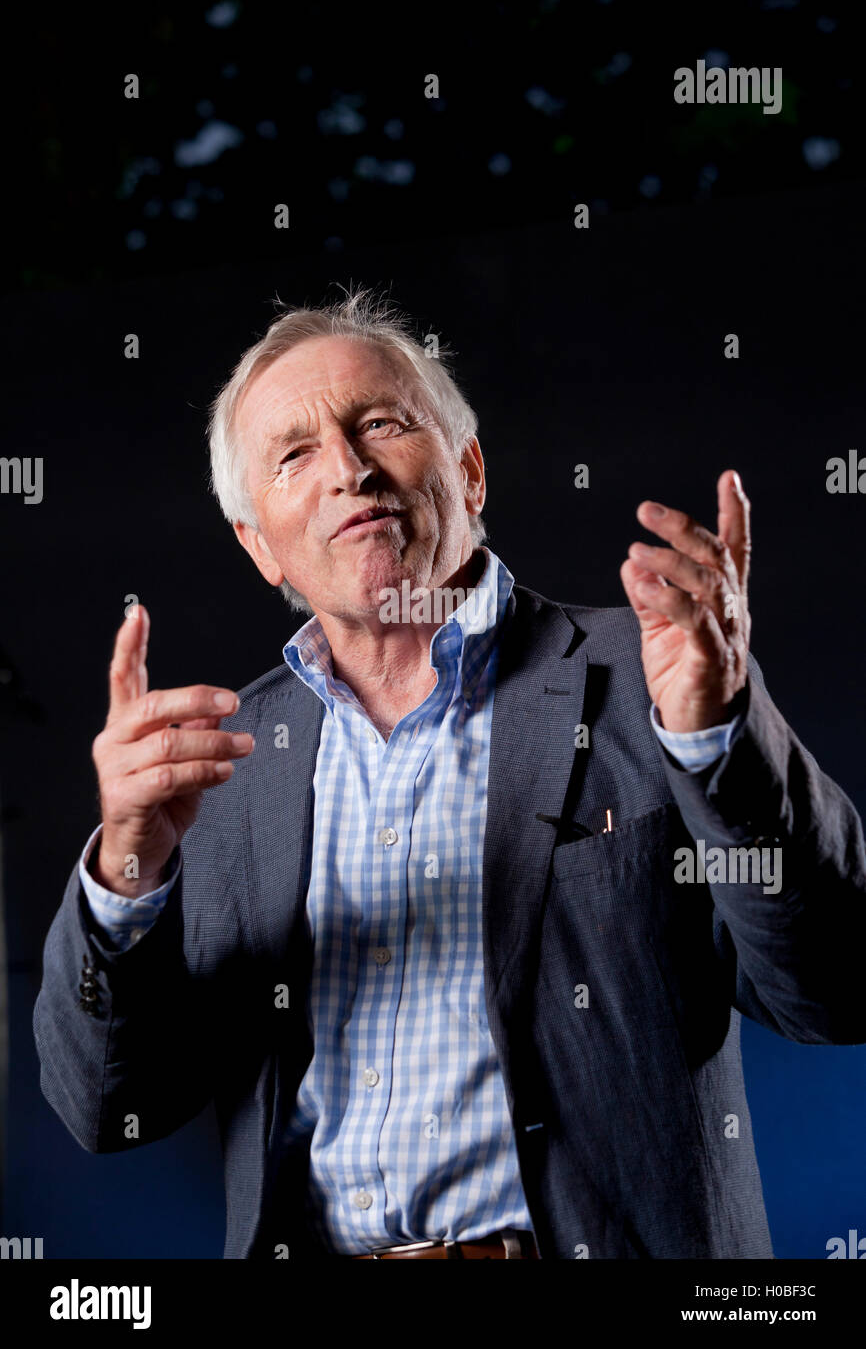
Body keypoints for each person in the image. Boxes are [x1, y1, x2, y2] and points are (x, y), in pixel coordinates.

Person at [33, 290, 866, 1259]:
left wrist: (717, 740)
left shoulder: (659, 677)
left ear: (467, 470)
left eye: (379, 422)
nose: (347, 469)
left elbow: (835, 988)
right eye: (293, 454)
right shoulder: (216, 768)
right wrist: (124, 870)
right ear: (258, 545)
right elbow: (106, 1107)